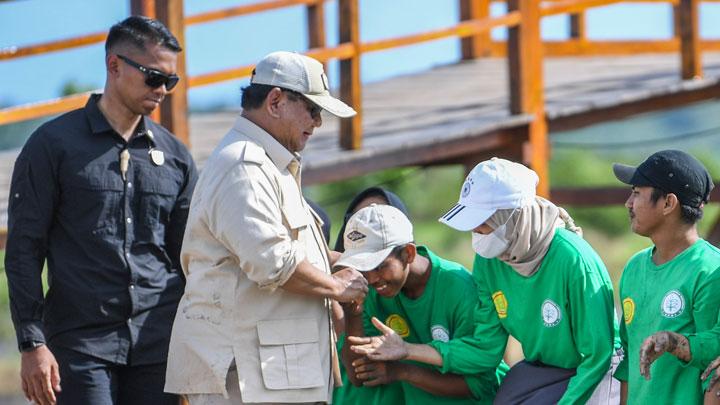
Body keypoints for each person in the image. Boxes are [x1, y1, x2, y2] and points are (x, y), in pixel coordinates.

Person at [4, 16, 197, 405]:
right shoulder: (52, 146)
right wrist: (31, 343)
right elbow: (24, 250)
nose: (162, 91)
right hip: (78, 348)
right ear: (114, 66)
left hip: (157, 345)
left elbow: (191, 257)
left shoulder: (176, 158)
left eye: (170, 82)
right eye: (153, 77)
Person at [164, 51, 368, 404]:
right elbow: (273, 262)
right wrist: (337, 287)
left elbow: (282, 252)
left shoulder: (265, 163)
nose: (318, 122)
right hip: (246, 372)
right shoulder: (243, 165)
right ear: (275, 101)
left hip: (266, 371)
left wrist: (351, 260)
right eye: (313, 109)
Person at [350, 157, 620, 404]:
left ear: (514, 216)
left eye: (482, 223)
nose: (476, 235)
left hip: (598, 368)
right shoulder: (490, 260)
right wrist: (407, 350)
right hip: (545, 366)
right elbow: (485, 349)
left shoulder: (573, 260)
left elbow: (598, 354)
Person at [335, 204, 505, 404]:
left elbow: (481, 385)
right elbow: (358, 376)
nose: (371, 278)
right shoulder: (372, 292)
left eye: (379, 266)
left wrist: (403, 371)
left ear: (408, 253)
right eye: (363, 268)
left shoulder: (459, 288)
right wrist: (352, 313)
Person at [611, 150, 720, 404]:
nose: (628, 203)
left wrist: (673, 342)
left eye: (637, 193)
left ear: (669, 204)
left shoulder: (711, 270)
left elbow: (714, 370)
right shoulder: (634, 268)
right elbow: (629, 360)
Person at [334, 186, 410, 252]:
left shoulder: (419, 264)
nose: (368, 227)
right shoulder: (336, 265)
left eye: (378, 219)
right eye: (361, 218)